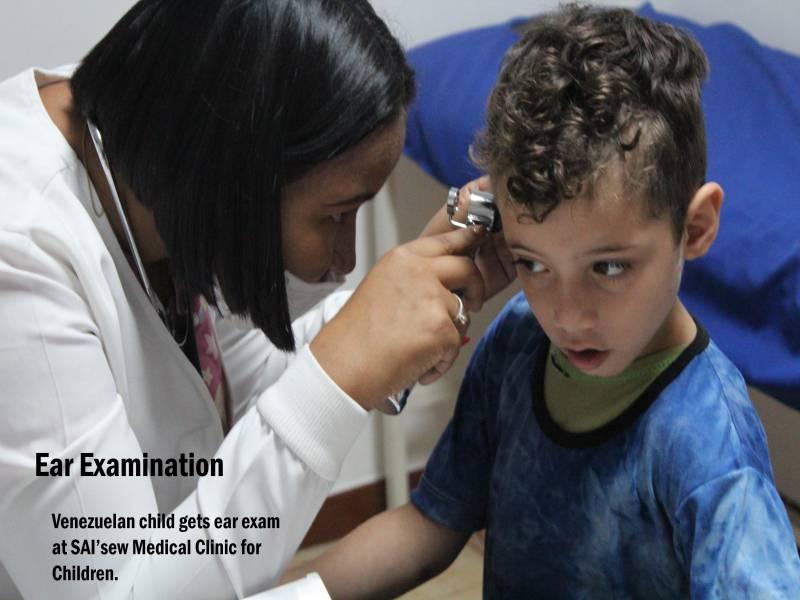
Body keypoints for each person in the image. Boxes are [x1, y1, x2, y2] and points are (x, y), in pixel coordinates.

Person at [0, 1, 515, 598]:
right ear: (233, 170)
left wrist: (385, 333)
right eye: (335, 215)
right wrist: (346, 370)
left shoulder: (161, 138)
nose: (343, 261)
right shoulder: (19, 253)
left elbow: (231, 379)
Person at [285, 4, 800, 597]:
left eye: (609, 267)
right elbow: (430, 525)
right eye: (533, 263)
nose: (567, 315)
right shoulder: (519, 338)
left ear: (696, 227)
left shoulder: (710, 442)